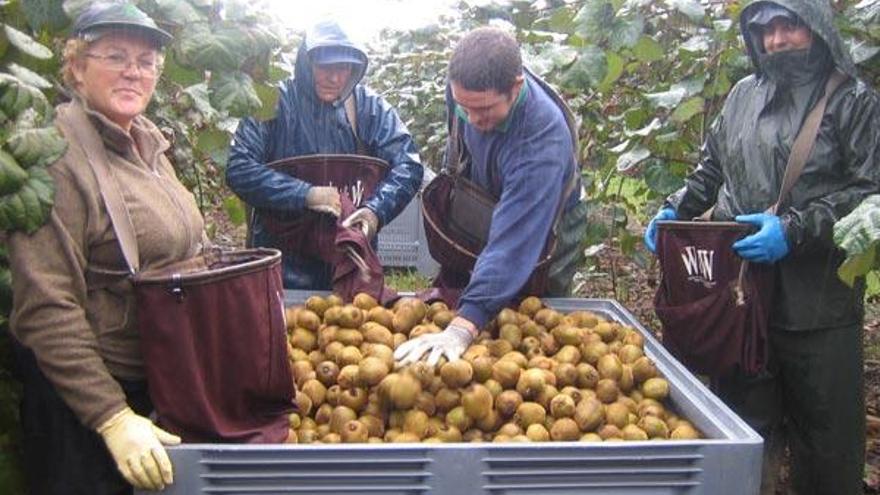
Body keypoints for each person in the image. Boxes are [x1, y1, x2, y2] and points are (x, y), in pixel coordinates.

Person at [643, 1, 879, 493]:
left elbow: (870, 191)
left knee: (827, 435)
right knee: (745, 424)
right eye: (766, 31)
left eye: (789, 26)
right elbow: (711, 168)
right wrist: (675, 210)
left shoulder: (853, 101)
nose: (777, 40)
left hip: (818, 302)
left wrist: (793, 229)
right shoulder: (742, 96)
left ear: (815, 27)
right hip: (741, 294)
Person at [8, 2, 207, 493]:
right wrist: (111, 418)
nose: (133, 72)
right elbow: (45, 305)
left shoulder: (147, 143)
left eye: (145, 62)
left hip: (155, 379)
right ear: (76, 66)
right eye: (115, 56)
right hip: (84, 405)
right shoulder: (56, 156)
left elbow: (183, 243)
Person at [395, 27, 587, 366]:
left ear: (516, 87)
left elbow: (513, 243)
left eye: (483, 110)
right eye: (463, 107)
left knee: (535, 325)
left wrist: (464, 326)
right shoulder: (464, 90)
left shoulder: (541, 141)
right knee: (478, 292)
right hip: (489, 202)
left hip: (542, 224)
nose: (471, 118)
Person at [226, 20, 424, 290]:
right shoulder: (274, 103)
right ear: (306, 65)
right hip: (282, 263)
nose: (335, 78)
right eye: (325, 67)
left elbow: (408, 165)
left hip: (349, 260)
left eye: (343, 68)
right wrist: (305, 194)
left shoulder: (368, 107)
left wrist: (375, 211)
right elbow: (239, 169)